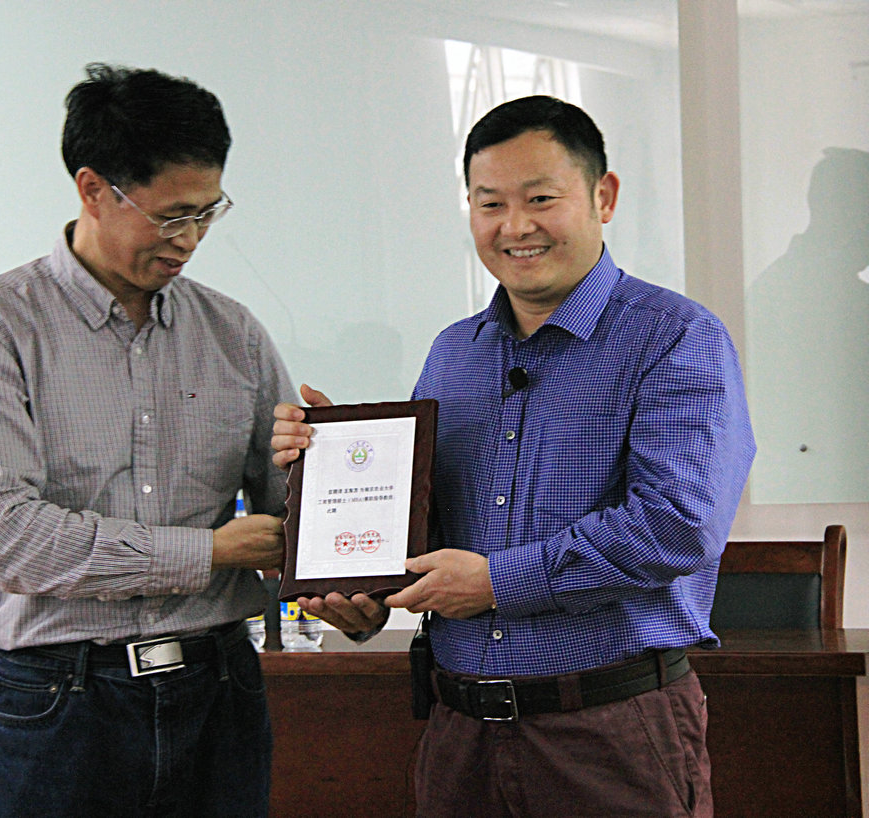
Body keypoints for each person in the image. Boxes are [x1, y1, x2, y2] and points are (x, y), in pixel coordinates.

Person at [272, 96, 755, 817]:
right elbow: (431, 530)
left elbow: (676, 525)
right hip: (460, 733)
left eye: (540, 199)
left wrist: (499, 582)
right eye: (489, 203)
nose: (515, 226)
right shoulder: (453, 354)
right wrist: (341, 497)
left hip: (611, 733)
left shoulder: (675, 337)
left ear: (603, 197)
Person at [0, 63, 294, 817]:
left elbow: (288, 513)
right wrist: (209, 551)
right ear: (93, 189)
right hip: (57, 699)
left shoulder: (233, 333)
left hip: (218, 690)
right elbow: (7, 541)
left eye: (207, 213)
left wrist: (335, 504)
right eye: (170, 217)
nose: (190, 240)